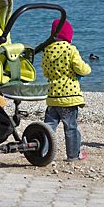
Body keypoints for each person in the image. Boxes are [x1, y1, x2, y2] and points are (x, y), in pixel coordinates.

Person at [41, 18, 91, 162]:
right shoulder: (70, 49)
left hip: (52, 96)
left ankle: (42, 152)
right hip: (69, 97)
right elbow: (80, 68)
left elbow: (45, 72)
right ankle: (73, 155)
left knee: (49, 127)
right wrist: (87, 69)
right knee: (71, 128)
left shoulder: (47, 50)